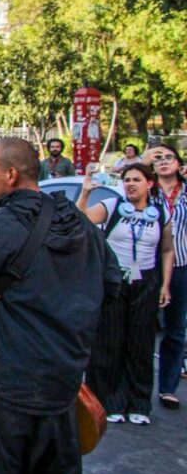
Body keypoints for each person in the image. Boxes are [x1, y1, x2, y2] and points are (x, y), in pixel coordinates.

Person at [0, 137, 120, 474]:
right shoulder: (79, 226)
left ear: (11, 174)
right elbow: (113, 285)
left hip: (10, 388)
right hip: (64, 388)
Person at [79, 163, 173, 424]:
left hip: (146, 281)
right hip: (114, 280)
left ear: (149, 183)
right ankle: (108, 402)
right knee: (109, 343)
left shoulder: (160, 213)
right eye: (127, 180)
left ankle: (139, 403)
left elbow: (167, 250)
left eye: (137, 179)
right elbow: (80, 219)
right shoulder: (111, 206)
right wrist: (86, 193)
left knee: (141, 344)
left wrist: (165, 284)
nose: (131, 184)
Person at [143, 144, 187, 410]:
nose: (163, 161)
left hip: (182, 265)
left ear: (179, 165)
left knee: (175, 329)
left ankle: (168, 387)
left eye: (169, 157)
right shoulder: (148, 193)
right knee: (143, 328)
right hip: (149, 265)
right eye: (158, 158)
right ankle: (138, 388)